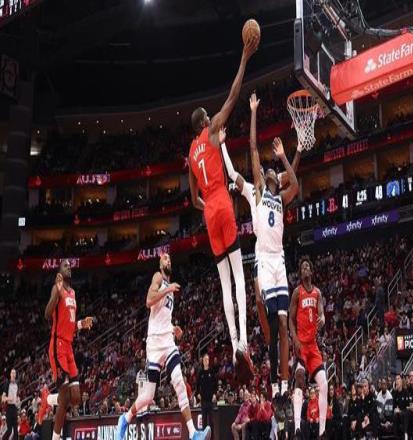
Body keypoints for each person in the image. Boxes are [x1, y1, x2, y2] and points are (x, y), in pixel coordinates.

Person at [188, 35, 258, 380]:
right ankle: (243, 341)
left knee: (223, 283)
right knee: (239, 277)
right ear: (206, 122)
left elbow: (192, 199)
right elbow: (233, 95)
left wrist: (206, 205)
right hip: (221, 203)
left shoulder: (190, 153)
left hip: (207, 213)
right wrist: (244, 58)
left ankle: (232, 347)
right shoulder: (212, 131)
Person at [219, 95, 301, 386]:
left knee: (282, 321)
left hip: (279, 258)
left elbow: (295, 182)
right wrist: (253, 112)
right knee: (265, 311)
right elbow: (252, 149)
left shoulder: (281, 195)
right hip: (263, 258)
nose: (268, 171)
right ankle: (272, 362)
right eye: (266, 170)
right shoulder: (256, 190)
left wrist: (286, 155)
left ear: (276, 178)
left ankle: (282, 378)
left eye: (272, 171)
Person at [115, 254, 210, 440]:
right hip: (154, 343)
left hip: (167, 341)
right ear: (160, 264)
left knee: (179, 381)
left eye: (170, 259)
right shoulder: (158, 277)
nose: (169, 260)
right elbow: (149, 301)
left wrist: (173, 328)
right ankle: (125, 419)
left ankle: (193, 433)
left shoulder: (170, 288)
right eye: (165, 259)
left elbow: (162, 316)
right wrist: (167, 290)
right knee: (148, 396)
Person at [37, 260, 94, 440]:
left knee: (75, 398)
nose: (69, 267)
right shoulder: (57, 289)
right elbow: (47, 314)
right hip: (58, 346)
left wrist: (81, 323)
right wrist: (56, 291)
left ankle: (47, 399)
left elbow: (70, 324)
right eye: (65, 266)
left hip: (69, 346)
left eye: (70, 266)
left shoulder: (73, 293)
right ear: (59, 271)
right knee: (64, 398)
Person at [289, 257, 328, 439]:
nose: (305, 269)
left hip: (313, 346)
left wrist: (323, 318)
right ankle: (297, 428)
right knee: (299, 377)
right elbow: (290, 319)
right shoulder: (297, 292)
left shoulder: (317, 293)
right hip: (300, 345)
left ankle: (322, 431)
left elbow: (321, 313)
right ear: (300, 273)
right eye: (302, 267)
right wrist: (295, 339)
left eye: (307, 267)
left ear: (311, 271)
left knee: (324, 384)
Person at [197, 353, 216, 430]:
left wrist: (214, 394)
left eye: (207, 359)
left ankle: (212, 436)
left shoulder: (212, 371)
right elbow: (197, 385)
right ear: (203, 361)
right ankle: (204, 436)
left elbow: (215, 383)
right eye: (205, 359)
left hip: (210, 400)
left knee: (211, 421)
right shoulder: (200, 372)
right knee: (204, 420)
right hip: (203, 400)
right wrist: (198, 393)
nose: (206, 361)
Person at [1, 369, 19, 440]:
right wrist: (8, 398)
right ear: (10, 374)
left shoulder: (17, 385)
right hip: (9, 408)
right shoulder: (7, 384)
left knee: (16, 431)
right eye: (12, 373)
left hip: (14, 407)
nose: (14, 374)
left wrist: (17, 399)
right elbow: (3, 398)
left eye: (15, 373)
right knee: (9, 430)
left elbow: (16, 396)